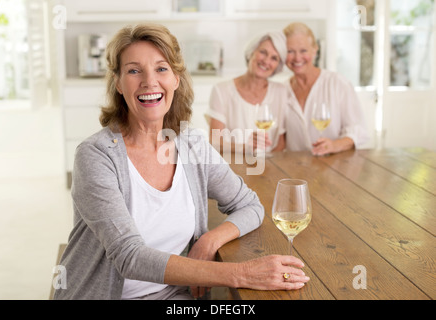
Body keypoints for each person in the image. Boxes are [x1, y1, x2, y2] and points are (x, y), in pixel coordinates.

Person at [53, 24, 309, 300]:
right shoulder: (95, 155)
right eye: (134, 70)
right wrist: (241, 273)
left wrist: (211, 239)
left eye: (161, 69)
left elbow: (250, 205)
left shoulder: (191, 145)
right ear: (117, 83)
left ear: (176, 78)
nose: (149, 82)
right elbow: (129, 256)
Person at [282, 22, 369, 156]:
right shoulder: (282, 90)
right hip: (295, 170)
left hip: (334, 166)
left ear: (315, 50)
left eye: (303, 50)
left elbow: (358, 129)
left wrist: (335, 145)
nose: (297, 58)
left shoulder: (337, 83)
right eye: (290, 51)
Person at [206, 31, 287, 155]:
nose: (266, 61)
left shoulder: (281, 91)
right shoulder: (222, 90)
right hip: (233, 166)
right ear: (251, 52)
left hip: (269, 166)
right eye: (263, 52)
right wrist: (247, 148)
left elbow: (281, 143)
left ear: (278, 65)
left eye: (274, 58)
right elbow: (215, 142)